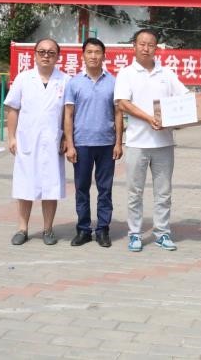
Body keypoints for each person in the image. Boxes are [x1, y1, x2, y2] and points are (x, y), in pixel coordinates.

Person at [115, 28, 188, 252]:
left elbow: (185, 97)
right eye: (142, 44)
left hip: (163, 143)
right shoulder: (126, 73)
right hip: (137, 143)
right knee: (134, 192)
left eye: (151, 45)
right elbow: (123, 103)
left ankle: (162, 233)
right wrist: (149, 118)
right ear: (134, 46)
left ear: (157, 48)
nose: (146, 48)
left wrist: (183, 116)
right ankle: (135, 234)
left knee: (163, 193)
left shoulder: (167, 74)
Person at [5, 38, 69, 246]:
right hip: (27, 141)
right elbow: (13, 108)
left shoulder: (65, 80)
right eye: (42, 51)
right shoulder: (23, 78)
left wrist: (67, 138)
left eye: (51, 52)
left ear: (58, 56)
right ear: (34, 54)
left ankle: (48, 229)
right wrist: (12, 137)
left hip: (53, 142)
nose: (46, 56)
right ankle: (22, 229)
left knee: (51, 187)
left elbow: (69, 114)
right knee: (25, 186)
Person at [63, 38, 123, 248]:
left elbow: (118, 113)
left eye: (98, 52)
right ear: (83, 55)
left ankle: (103, 229)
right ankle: (83, 229)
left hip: (107, 144)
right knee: (82, 188)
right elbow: (68, 115)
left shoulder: (113, 82)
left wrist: (119, 142)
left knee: (105, 189)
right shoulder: (74, 83)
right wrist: (70, 145)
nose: (94, 56)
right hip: (82, 144)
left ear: (104, 56)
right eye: (89, 52)